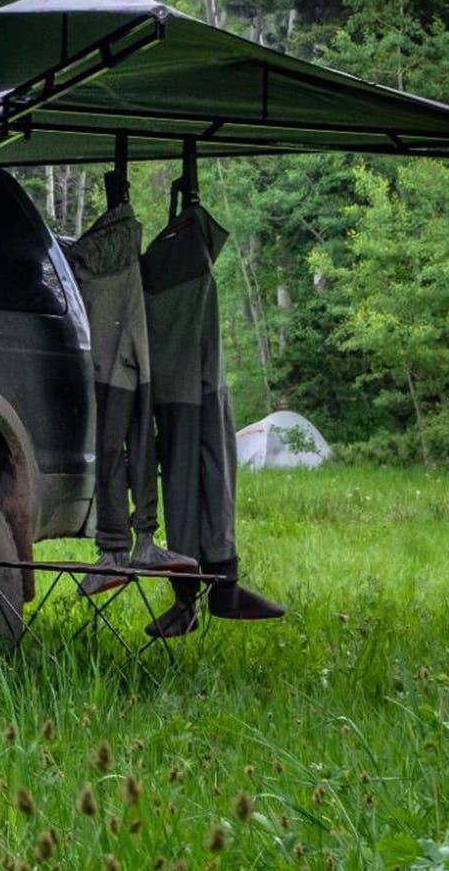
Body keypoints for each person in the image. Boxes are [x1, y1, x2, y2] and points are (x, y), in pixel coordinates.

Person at [140, 188, 286, 637]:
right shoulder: (174, 256)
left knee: (201, 477)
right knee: (197, 477)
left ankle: (215, 586)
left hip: (190, 380)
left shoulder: (175, 252)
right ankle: (201, 591)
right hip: (183, 381)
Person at [68, 167, 197, 597]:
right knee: (134, 441)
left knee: (119, 444)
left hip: (114, 357)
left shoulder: (92, 252)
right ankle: (130, 543)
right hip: (126, 353)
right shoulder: (119, 242)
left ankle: (120, 548)